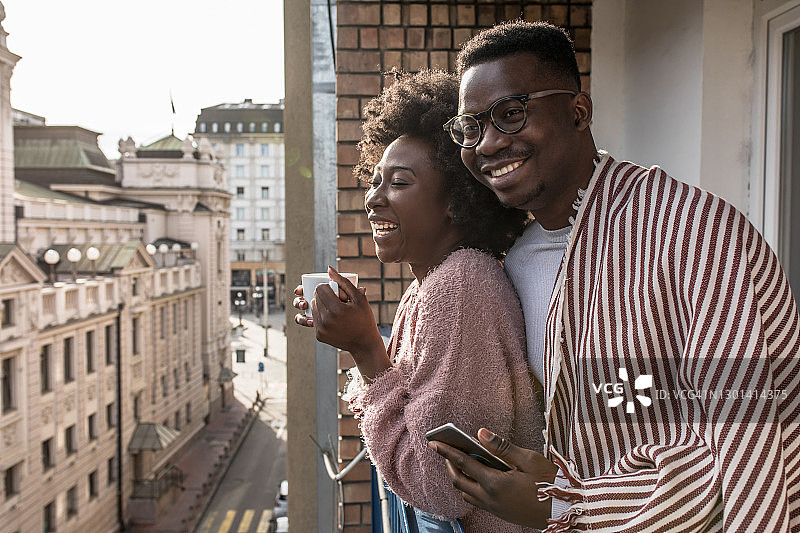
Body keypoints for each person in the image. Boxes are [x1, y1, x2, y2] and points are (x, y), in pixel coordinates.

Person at [429, 20, 800, 533]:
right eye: (472, 127)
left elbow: (746, 448)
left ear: (578, 113)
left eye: (511, 115)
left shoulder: (694, 234)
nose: (488, 144)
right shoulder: (511, 266)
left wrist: (569, 505)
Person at [293, 69, 543, 533]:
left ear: (456, 200)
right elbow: (419, 408)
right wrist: (359, 333)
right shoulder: (430, 288)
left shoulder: (463, 287)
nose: (373, 199)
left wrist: (366, 349)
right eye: (374, 180)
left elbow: (442, 486)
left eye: (398, 182)